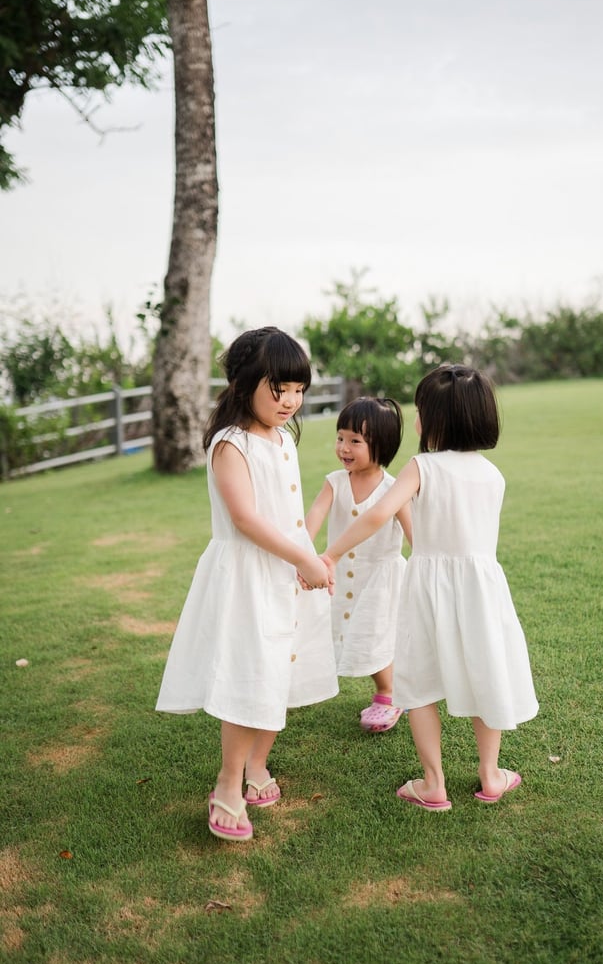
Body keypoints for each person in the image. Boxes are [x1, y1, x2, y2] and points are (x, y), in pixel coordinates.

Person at [321, 364, 538, 811]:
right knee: (483, 671)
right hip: (481, 587)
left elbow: (379, 514)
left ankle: (433, 783)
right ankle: (492, 776)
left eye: (421, 410)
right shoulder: (493, 474)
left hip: (427, 585)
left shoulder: (422, 466)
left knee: (418, 680)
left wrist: (331, 554)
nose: (416, 419)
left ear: (438, 419)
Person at [156, 327, 339, 842]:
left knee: (279, 671)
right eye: (278, 388)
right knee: (249, 676)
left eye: (298, 389)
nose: (290, 401)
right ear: (243, 384)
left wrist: (306, 558)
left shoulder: (282, 439)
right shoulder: (230, 444)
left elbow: (286, 514)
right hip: (248, 575)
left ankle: (258, 765)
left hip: (284, 570)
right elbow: (246, 520)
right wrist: (304, 558)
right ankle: (228, 784)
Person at [305, 397, 413, 733]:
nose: (344, 448)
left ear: (381, 445)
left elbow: (414, 535)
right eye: (340, 438)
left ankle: (388, 693)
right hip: (338, 577)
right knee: (342, 633)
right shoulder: (334, 481)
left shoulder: (394, 489)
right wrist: (303, 553)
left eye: (355, 441)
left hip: (379, 578)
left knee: (372, 636)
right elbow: (314, 517)